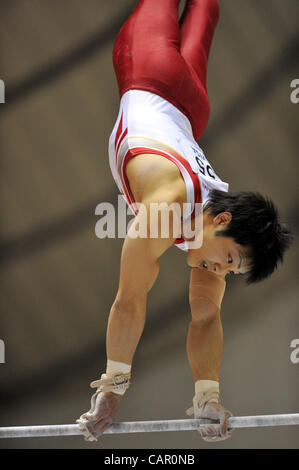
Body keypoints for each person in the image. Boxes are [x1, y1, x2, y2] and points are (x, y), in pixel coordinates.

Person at [76, 0, 291, 442]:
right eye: (228, 258)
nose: (221, 271)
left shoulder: (211, 237)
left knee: (206, 7)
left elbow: (206, 318)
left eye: (232, 270)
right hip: (147, 67)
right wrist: (113, 385)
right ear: (222, 219)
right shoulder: (165, 210)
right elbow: (129, 300)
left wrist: (207, 397)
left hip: (191, 110)